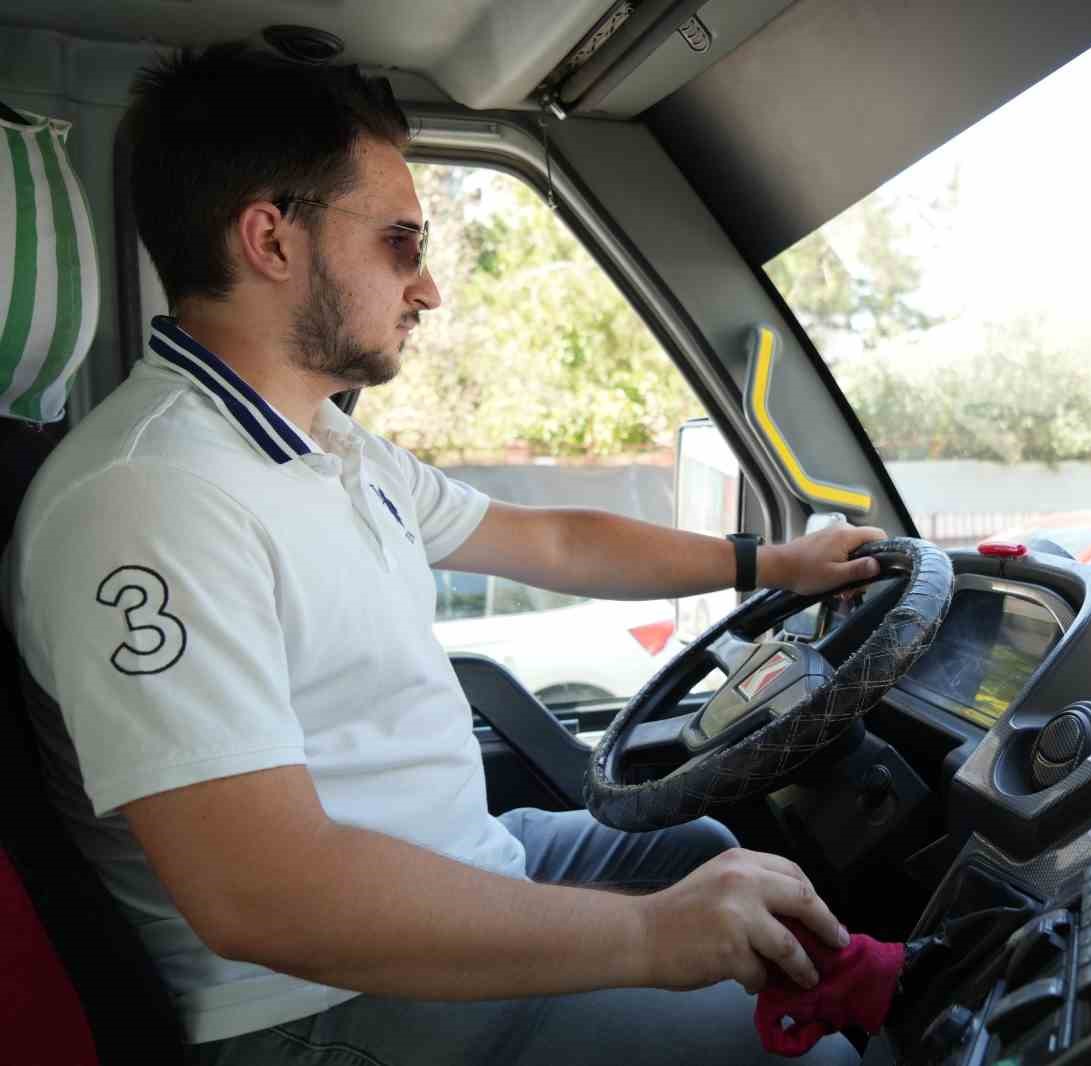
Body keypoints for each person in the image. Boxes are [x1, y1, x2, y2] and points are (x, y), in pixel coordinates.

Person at [2, 43, 884, 1066]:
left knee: (717, 859)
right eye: (399, 242)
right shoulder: (149, 499)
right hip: (316, 1003)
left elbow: (552, 538)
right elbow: (264, 897)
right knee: (806, 1049)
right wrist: (651, 935)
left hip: (457, 863)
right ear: (270, 241)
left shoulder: (328, 441)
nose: (426, 288)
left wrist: (772, 565)